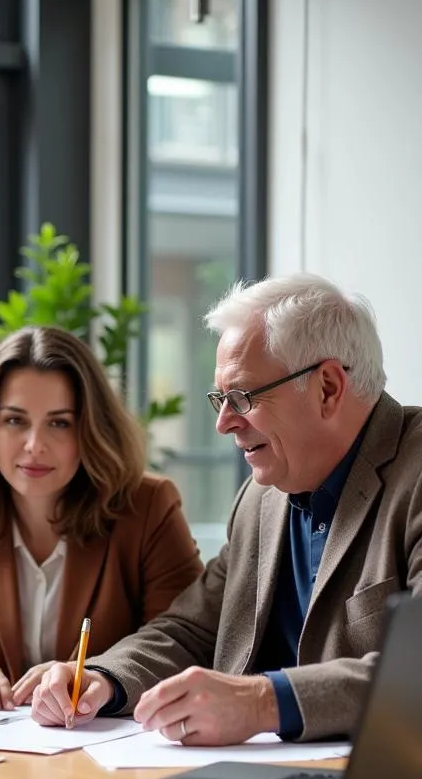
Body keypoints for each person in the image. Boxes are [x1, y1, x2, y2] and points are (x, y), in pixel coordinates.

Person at [32, 273, 422, 742]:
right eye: (221, 398)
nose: (223, 424)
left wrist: (261, 702)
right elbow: (192, 629)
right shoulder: (261, 497)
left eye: (243, 397)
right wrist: (104, 679)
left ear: (327, 388)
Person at [0, 325, 203, 710]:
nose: (34, 445)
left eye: (59, 423)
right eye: (15, 420)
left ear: (91, 430)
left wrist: (97, 675)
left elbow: (184, 644)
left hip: (107, 745)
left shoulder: (148, 507)